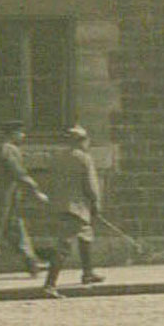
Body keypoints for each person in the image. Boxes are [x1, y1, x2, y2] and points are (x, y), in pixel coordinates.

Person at [0, 122, 47, 283]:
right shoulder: (8, 150)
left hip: (0, 198)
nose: (23, 136)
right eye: (20, 133)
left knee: (16, 231)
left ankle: (32, 264)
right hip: (1, 200)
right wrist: (36, 192)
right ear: (12, 134)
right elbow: (19, 174)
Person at [42, 125, 104, 295]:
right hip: (76, 208)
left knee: (86, 236)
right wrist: (96, 203)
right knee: (64, 246)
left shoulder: (58, 157)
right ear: (82, 141)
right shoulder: (84, 158)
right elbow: (91, 185)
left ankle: (88, 273)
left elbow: (51, 182)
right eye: (86, 140)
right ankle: (50, 285)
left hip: (61, 205)